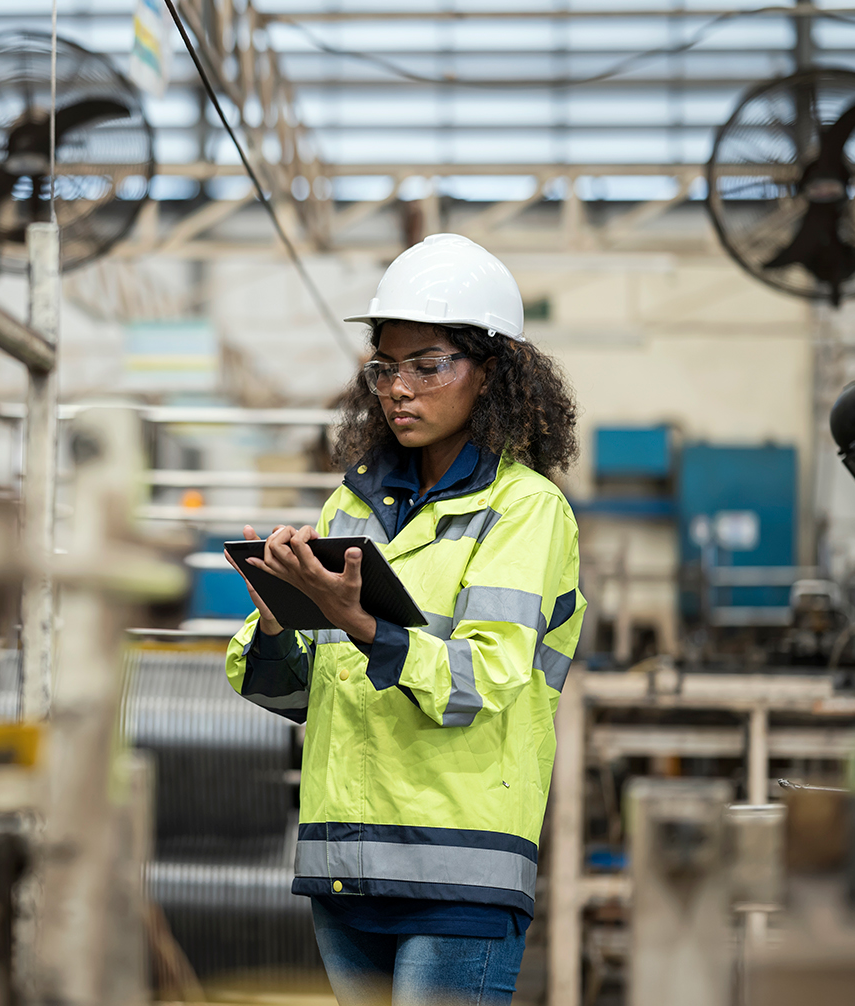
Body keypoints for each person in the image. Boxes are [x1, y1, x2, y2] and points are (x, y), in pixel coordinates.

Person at [224, 234, 585, 1006]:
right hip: (345, 864)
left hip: (460, 868)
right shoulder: (350, 506)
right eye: (385, 367)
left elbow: (477, 682)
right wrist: (280, 622)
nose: (398, 388)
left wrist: (360, 624)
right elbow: (302, 700)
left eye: (428, 365)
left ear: (492, 373)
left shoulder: (523, 510)